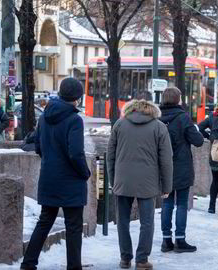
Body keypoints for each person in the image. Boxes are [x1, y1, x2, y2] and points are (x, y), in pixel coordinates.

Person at [20, 78, 91, 270]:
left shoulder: (44, 117)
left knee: (44, 222)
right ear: (77, 98)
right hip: (71, 182)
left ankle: (28, 263)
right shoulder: (74, 120)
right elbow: (76, 153)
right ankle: (73, 267)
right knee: (74, 227)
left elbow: (38, 146)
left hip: (49, 178)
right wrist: (85, 173)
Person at [107, 99, 173, 270]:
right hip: (148, 181)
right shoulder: (159, 127)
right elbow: (166, 160)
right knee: (147, 222)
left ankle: (125, 258)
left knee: (122, 221)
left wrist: (113, 179)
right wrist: (166, 186)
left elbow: (110, 156)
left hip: (123, 180)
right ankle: (142, 260)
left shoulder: (120, 124)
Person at [160, 87, 204, 253]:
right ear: (178, 100)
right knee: (182, 203)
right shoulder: (183, 118)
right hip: (182, 167)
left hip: (163, 167)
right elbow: (198, 141)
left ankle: (166, 241)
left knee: (167, 203)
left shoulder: (157, 117)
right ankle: (180, 240)